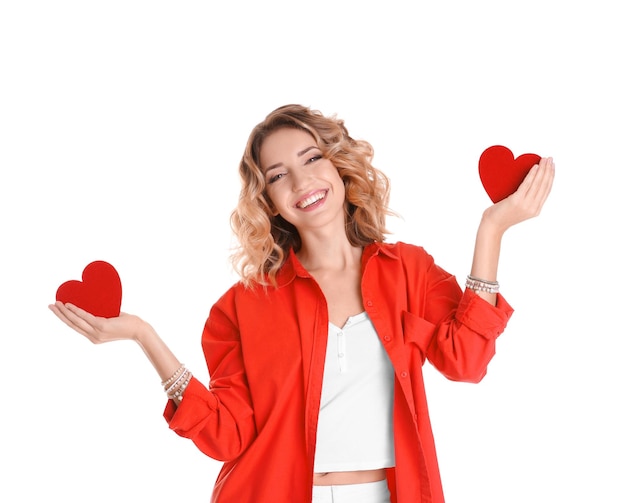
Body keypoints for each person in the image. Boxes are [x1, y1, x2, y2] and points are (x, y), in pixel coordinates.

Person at [49, 104, 555, 503]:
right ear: (268, 199)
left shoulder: (409, 269)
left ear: (337, 164)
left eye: (311, 159)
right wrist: (143, 335)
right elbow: (227, 437)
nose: (301, 182)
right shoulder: (240, 307)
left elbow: (466, 362)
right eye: (277, 175)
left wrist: (492, 230)